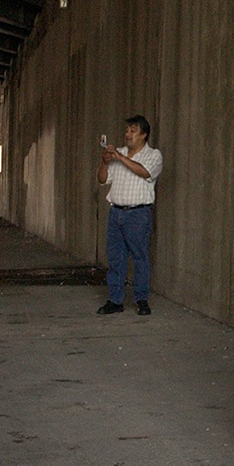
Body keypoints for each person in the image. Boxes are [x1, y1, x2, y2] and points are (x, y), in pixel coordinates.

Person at [96, 115, 163, 316]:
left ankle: (141, 299)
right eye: (126, 131)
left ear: (144, 135)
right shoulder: (119, 154)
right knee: (116, 258)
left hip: (138, 214)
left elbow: (145, 172)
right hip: (116, 212)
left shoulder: (154, 155)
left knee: (140, 257)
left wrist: (120, 157)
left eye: (133, 131)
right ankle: (115, 300)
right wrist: (105, 162)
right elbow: (102, 180)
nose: (128, 135)